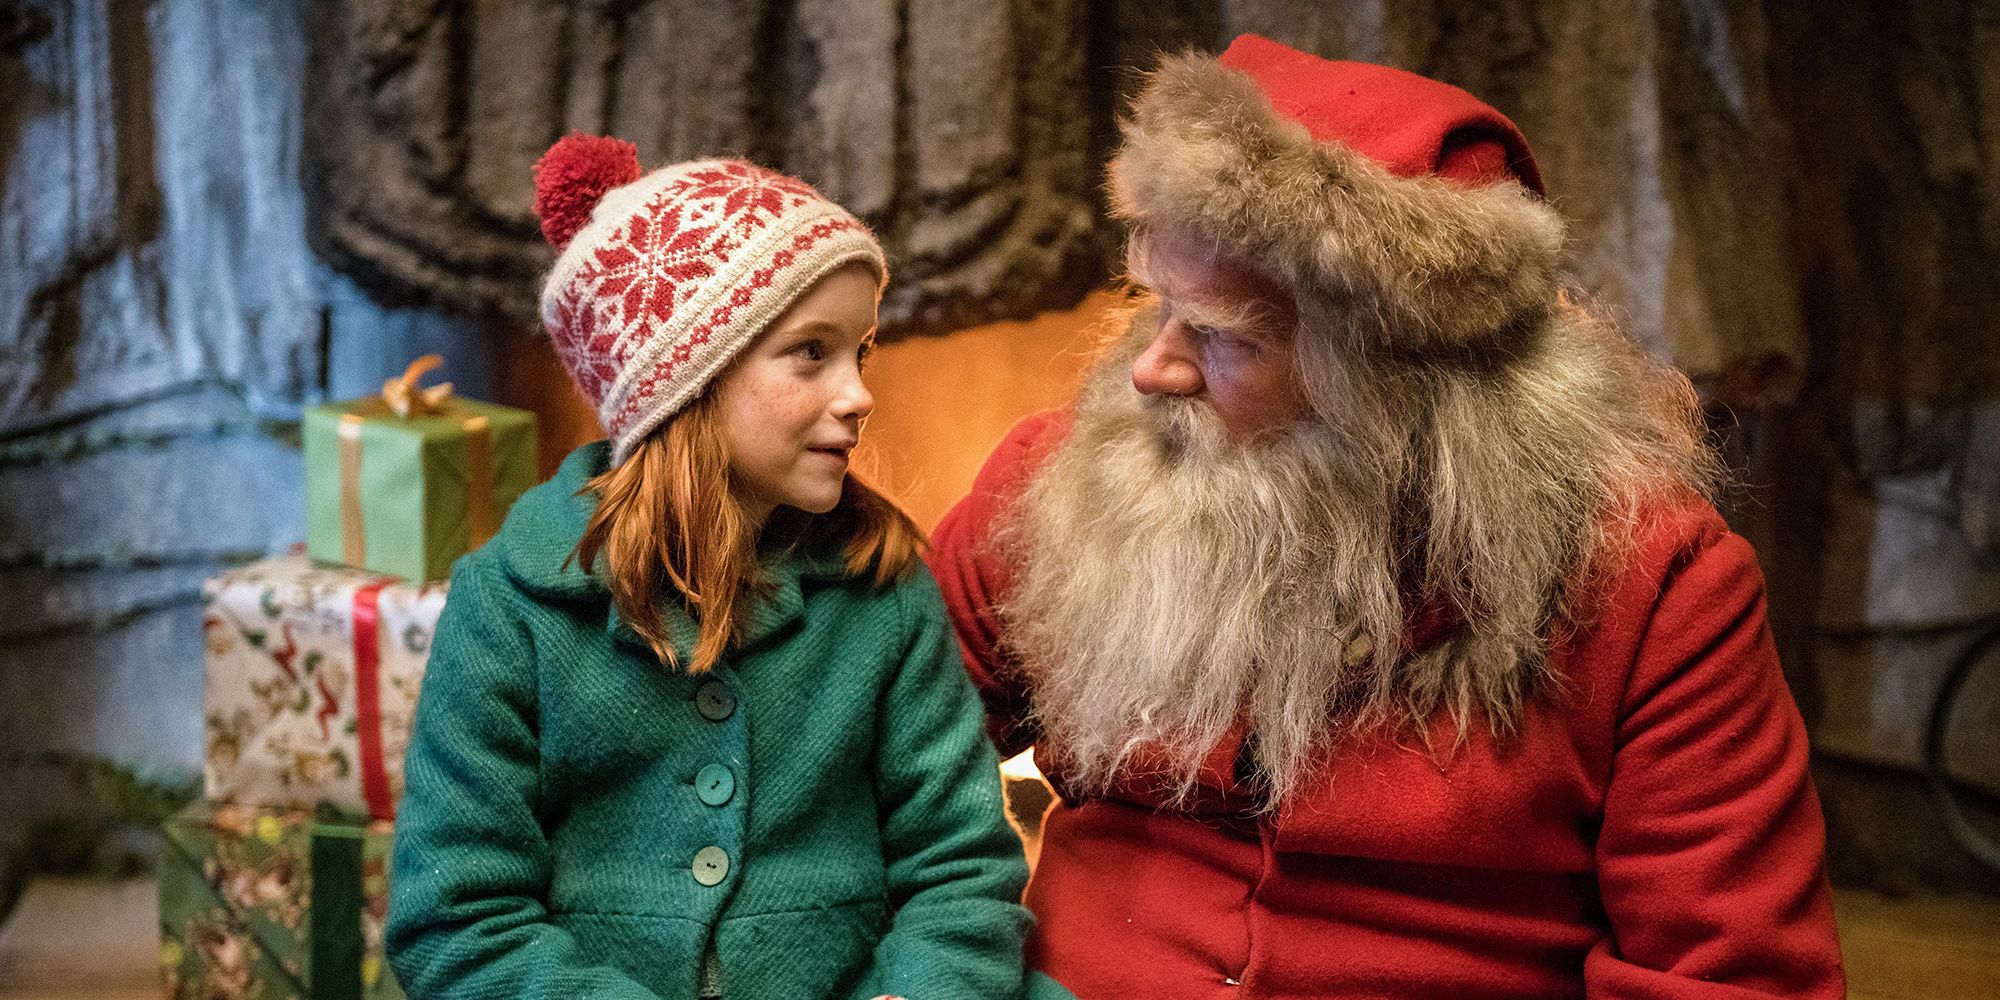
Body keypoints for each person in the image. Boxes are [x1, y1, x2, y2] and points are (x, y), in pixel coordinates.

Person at [929, 35, 1846, 1000]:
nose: (1153, 369)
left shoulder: (1655, 586)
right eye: (1158, 305)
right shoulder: (1065, 477)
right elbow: (861, 760)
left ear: (1394, 388)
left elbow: (1732, 977)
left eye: (1223, 335)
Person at [386, 135, 1032, 1000]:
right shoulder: (509, 608)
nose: (859, 394)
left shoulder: (884, 593)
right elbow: (457, 921)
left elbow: (960, 871)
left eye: (860, 353)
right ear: (687, 380)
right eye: (811, 352)